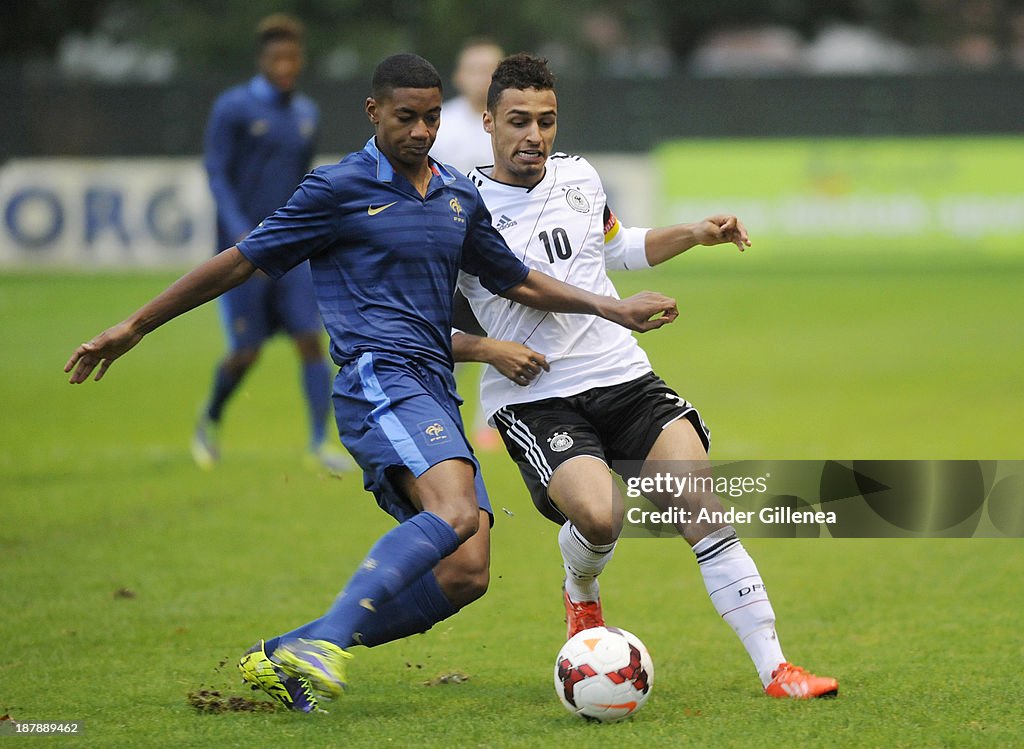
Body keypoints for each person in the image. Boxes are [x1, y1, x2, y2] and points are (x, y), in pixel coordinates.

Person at [65, 53, 678, 713]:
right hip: (376, 380)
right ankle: (325, 642)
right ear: (374, 112)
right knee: (454, 510)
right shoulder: (337, 190)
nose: (420, 131)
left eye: (432, 118)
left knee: (468, 570)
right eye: (406, 117)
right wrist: (135, 324)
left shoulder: (454, 193)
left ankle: (288, 650)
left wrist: (612, 308)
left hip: (434, 388)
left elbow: (517, 279)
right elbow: (240, 262)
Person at [453, 53, 838, 700]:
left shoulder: (578, 175)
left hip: (623, 374)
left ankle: (777, 668)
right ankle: (581, 588)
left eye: (546, 121)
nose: (534, 136)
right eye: (519, 121)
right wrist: (490, 350)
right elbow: (429, 321)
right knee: (602, 518)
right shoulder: (456, 204)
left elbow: (612, 247)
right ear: (488, 120)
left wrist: (693, 233)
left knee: (701, 508)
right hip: (538, 395)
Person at [195, 13, 351, 474]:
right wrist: (240, 230)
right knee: (246, 352)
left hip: (291, 250)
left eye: (292, 57)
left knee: (310, 339)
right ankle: (211, 418)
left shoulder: (306, 114)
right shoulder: (234, 108)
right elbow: (217, 173)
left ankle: (320, 443)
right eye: (277, 57)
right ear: (262, 59)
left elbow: (302, 181)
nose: (286, 65)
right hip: (242, 252)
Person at [430, 37, 506, 451]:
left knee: (505, 332)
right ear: (458, 76)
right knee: (445, 333)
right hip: (446, 248)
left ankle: (491, 424)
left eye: (490, 69)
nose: (481, 78)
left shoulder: (512, 122)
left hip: (499, 250)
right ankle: (443, 417)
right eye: (473, 68)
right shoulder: (442, 125)